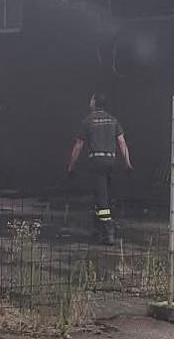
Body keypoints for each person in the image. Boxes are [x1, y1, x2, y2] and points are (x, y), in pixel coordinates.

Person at [67, 93, 132, 245]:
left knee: (101, 199)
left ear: (94, 103)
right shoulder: (113, 120)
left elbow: (78, 145)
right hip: (111, 160)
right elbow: (122, 143)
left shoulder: (88, 121)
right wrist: (127, 163)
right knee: (103, 194)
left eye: (91, 99)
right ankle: (98, 229)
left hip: (96, 161)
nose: (89, 102)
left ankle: (108, 229)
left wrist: (71, 165)